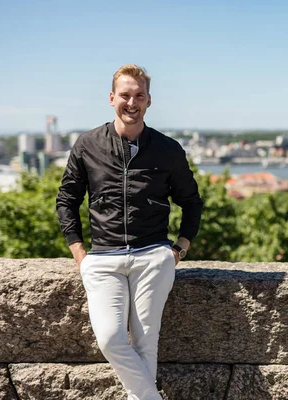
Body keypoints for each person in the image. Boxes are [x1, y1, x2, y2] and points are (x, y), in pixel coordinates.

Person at [56, 64, 203, 400]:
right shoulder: (88, 144)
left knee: (145, 342)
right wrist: (79, 252)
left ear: (149, 100)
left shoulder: (167, 149)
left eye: (139, 95)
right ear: (112, 98)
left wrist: (179, 248)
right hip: (103, 257)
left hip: (153, 255)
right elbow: (66, 200)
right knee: (110, 338)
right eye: (125, 95)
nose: (131, 102)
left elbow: (191, 202)